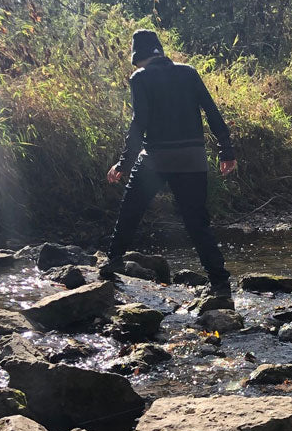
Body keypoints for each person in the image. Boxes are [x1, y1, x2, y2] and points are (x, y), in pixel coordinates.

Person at [99, 29, 237, 297]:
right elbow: (211, 111)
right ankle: (220, 282)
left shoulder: (140, 78)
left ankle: (112, 262)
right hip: (193, 159)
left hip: (156, 159)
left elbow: (140, 123)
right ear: (160, 51)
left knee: (131, 210)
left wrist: (123, 164)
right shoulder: (189, 72)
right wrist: (226, 151)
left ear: (137, 57)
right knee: (197, 223)